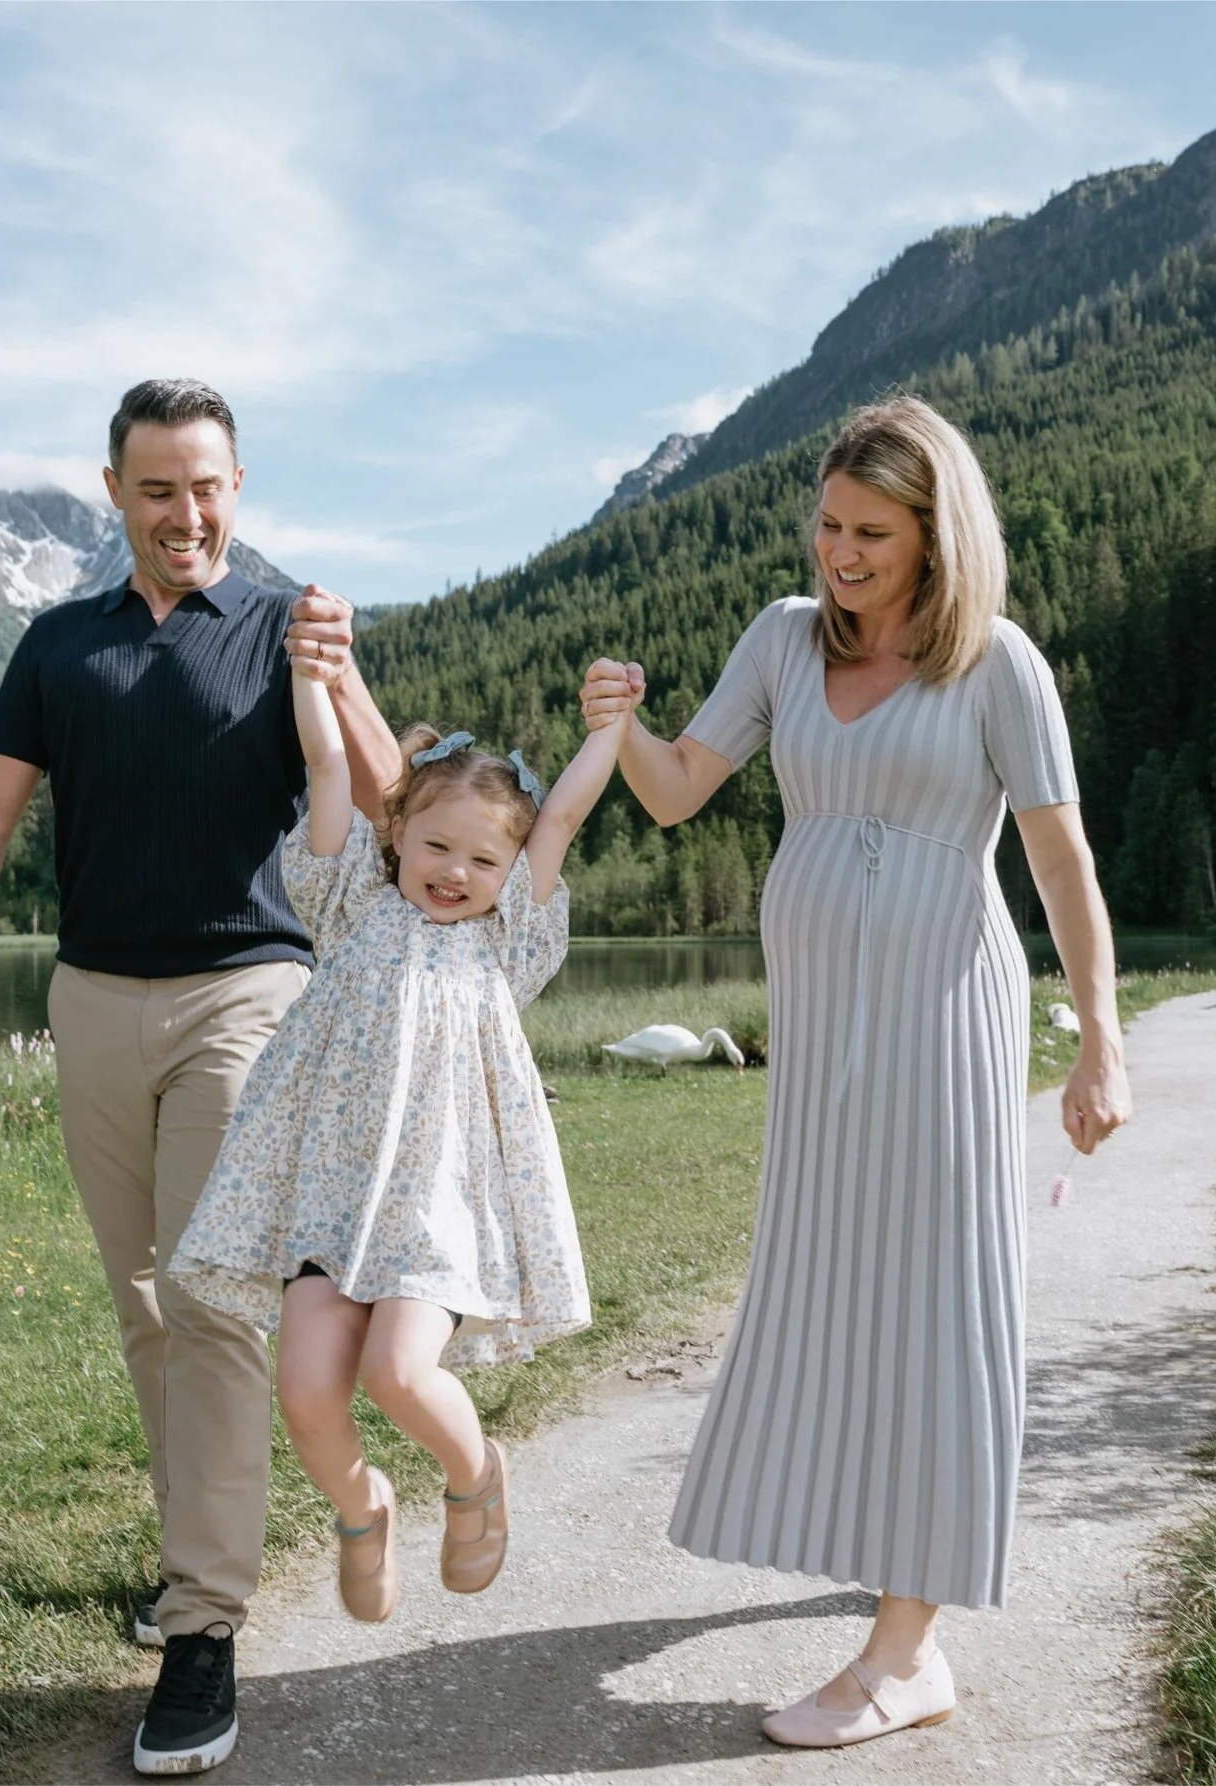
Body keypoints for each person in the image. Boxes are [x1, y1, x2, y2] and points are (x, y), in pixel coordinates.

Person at [578, 395, 1131, 1750]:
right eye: (828, 523)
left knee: (937, 1303)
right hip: (824, 1026)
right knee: (834, 1286)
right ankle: (880, 1552)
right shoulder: (781, 639)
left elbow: (1062, 863)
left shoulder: (999, 666)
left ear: (939, 535)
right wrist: (619, 723)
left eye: (871, 530)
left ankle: (906, 1653)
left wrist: (1102, 1038)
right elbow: (677, 786)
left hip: (948, 1014)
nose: (841, 550)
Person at [0, 377, 397, 1777]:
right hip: (93, 1000)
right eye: (159, 487)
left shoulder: (291, 624)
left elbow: (397, 794)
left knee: (213, 1299)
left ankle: (203, 1625)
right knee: (145, 1306)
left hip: (250, 991)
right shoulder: (61, 643)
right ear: (115, 491)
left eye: (209, 485)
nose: (187, 512)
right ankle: (196, 1562)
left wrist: (344, 676)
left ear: (240, 487)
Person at [167, 649, 622, 1626]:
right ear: (399, 834)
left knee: (399, 1372)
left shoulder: (507, 942)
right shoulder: (349, 905)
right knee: (305, 1391)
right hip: (333, 1201)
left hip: (434, 1210)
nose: (456, 871)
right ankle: (361, 1506)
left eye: (484, 858)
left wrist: (610, 729)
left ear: (510, 869)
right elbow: (328, 766)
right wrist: (309, 674)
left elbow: (568, 815)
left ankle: (472, 1474)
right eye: (436, 846)